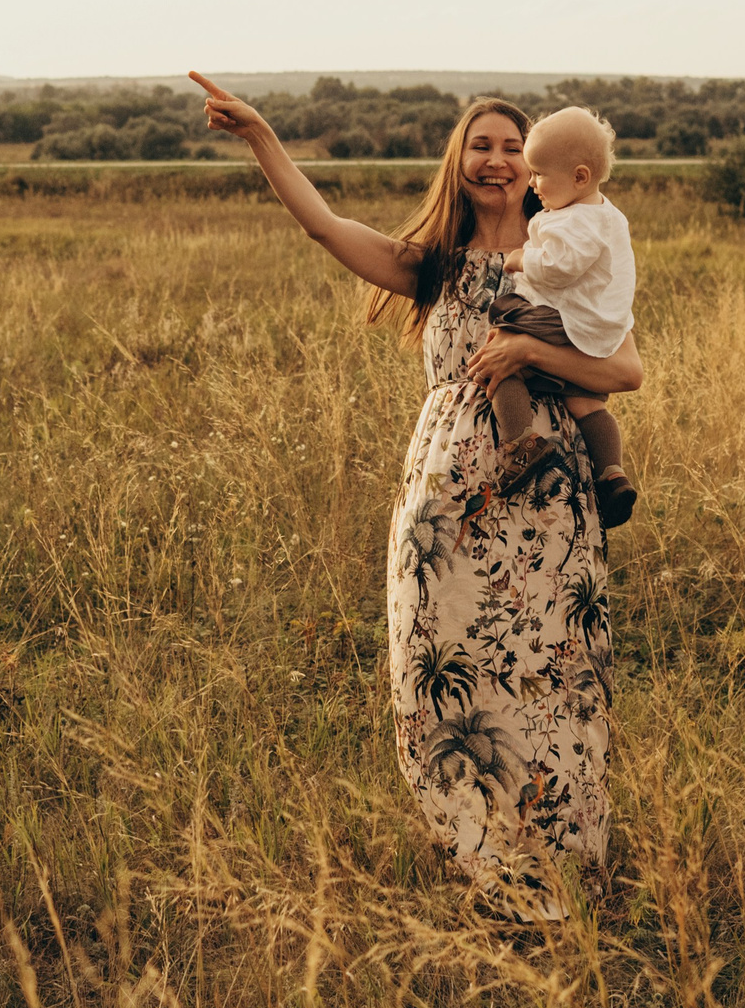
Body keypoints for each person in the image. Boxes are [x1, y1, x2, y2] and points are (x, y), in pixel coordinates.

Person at [190, 72, 643, 908]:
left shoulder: (569, 250)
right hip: (447, 507)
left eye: (516, 147)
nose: (501, 159)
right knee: (441, 677)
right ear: (459, 160)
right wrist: (261, 136)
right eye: (484, 144)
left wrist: (526, 354)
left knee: (553, 675)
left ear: (543, 165)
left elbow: (624, 370)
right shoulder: (432, 263)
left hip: (546, 503)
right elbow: (324, 226)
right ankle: (486, 866)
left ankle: (564, 876)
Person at [494, 105, 638, 526]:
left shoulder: (572, 221)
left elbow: (560, 267)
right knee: (585, 400)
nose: (532, 183)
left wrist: (523, 259)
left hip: (562, 318)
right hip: (596, 327)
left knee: (502, 351)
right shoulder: (609, 215)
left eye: (539, 173)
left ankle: (522, 443)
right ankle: (612, 472)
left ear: (579, 177)